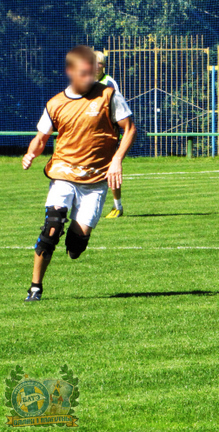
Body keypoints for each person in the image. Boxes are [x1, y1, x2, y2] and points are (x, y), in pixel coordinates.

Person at [22, 45, 136, 302]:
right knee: (52, 227)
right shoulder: (55, 103)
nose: (89, 77)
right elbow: (41, 138)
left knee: (76, 247)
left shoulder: (108, 95)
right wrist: (31, 153)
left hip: (95, 180)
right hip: (63, 173)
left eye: (91, 72)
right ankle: (35, 287)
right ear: (71, 72)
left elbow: (129, 129)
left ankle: (74, 241)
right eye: (83, 73)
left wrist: (117, 159)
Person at [94, 50, 125, 218]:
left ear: (103, 66)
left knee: (111, 170)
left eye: (98, 63)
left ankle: (117, 206)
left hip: (108, 133)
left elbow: (116, 107)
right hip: (91, 133)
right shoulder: (85, 81)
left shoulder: (109, 83)